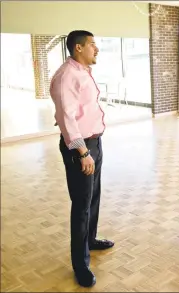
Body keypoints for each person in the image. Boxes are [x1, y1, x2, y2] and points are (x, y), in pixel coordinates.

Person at [50, 30, 114, 287]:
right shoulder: (67, 75)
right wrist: (83, 152)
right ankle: (80, 265)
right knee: (82, 206)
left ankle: (91, 239)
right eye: (92, 45)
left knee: (93, 197)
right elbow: (67, 119)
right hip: (81, 148)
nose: (96, 49)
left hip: (94, 142)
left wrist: (92, 147)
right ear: (78, 48)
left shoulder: (81, 71)